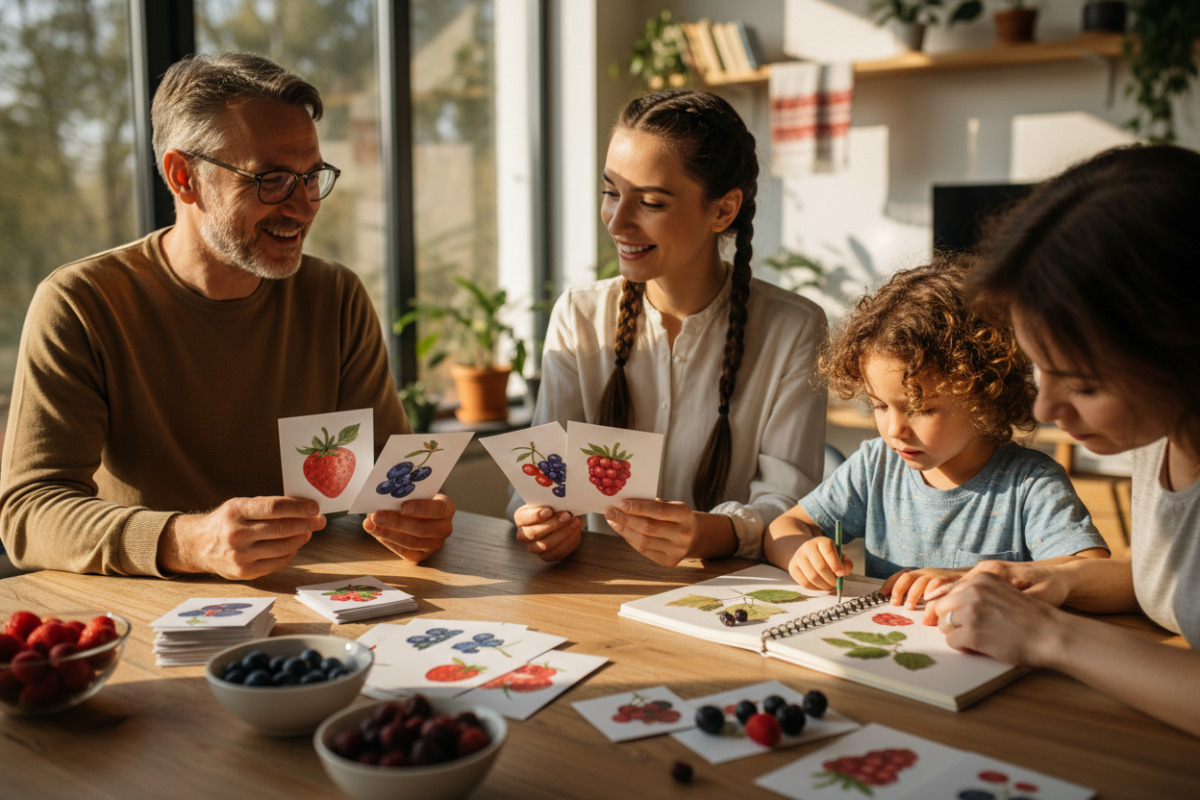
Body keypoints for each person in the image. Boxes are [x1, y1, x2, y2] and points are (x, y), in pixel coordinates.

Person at [0, 52, 455, 580]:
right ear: (183, 177)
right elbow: (28, 512)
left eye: (312, 177)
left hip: (317, 594)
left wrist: (417, 516)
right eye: (272, 179)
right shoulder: (81, 303)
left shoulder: (336, 296)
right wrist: (188, 541)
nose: (304, 206)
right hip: (148, 608)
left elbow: (388, 475)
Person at [926, 144, 1200, 738]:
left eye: (1082, 383)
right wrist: (1056, 580)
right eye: (1038, 368)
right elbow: (1175, 580)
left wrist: (1051, 636)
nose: (1044, 410)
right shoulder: (1164, 429)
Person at [509, 88, 828, 566]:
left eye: (651, 203)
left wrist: (708, 534)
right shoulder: (579, 315)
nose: (617, 222)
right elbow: (535, 482)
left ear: (723, 210)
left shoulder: (794, 328)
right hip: (597, 585)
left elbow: (790, 506)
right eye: (611, 193)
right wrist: (538, 521)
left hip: (727, 593)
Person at [764, 257, 1109, 605]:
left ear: (983, 395)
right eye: (880, 405)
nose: (895, 430)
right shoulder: (876, 465)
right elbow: (784, 528)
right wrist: (802, 553)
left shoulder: (1030, 483)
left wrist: (973, 578)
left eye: (921, 409)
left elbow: (1090, 569)